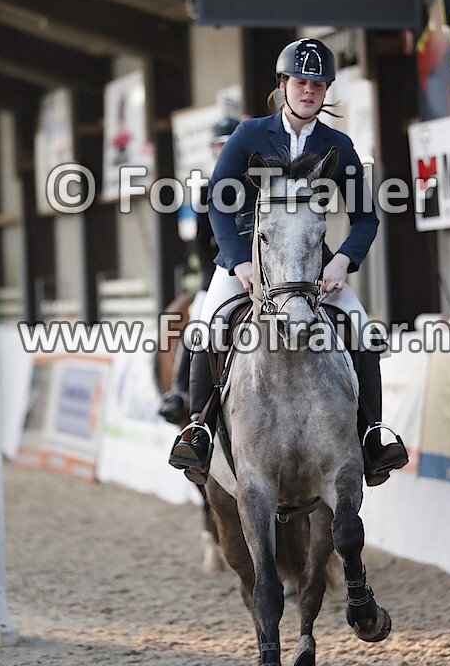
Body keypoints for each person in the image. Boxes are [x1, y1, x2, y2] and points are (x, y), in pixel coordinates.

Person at [169, 38, 408, 486]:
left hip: (310, 270)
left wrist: (342, 261)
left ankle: (373, 434)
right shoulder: (249, 136)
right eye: (300, 82)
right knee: (207, 325)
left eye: (318, 85)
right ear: (283, 85)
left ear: (326, 90)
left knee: (360, 328)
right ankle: (199, 430)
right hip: (245, 259)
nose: (309, 91)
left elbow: (365, 218)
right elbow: (218, 204)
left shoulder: (338, 145)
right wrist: (238, 263)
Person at [159, 117, 240, 424]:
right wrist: (208, 278)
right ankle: (179, 391)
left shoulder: (256, 184)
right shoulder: (207, 190)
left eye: (229, 143)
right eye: (220, 145)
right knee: (198, 319)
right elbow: (200, 245)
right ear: (213, 149)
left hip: (260, 272)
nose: (225, 149)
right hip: (220, 271)